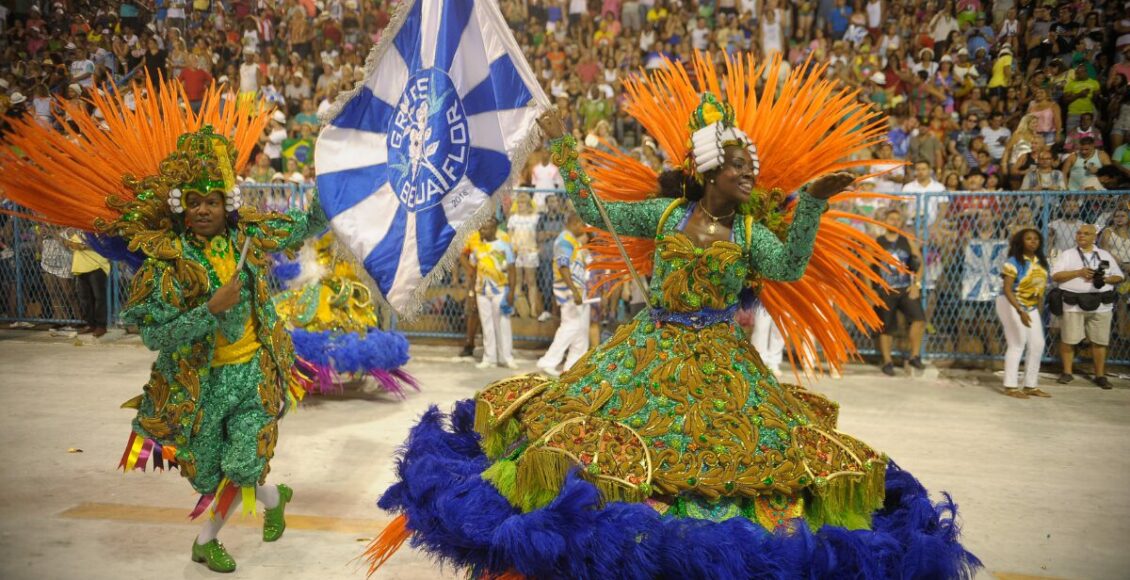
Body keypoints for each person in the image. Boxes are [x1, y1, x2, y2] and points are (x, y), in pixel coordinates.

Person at [367, 60, 978, 577]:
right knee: (599, 447)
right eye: (740, 169)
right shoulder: (662, 217)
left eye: (753, 171)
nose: (750, 178)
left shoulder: (748, 235)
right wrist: (562, 143)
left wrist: (814, 203)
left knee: (737, 464)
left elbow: (791, 266)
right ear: (711, 172)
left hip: (721, 362)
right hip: (650, 351)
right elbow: (589, 206)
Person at [0, 82, 327, 573]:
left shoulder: (251, 233)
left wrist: (338, 186)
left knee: (241, 464)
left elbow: (304, 228)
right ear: (180, 205)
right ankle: (272, 497)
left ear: (227, 202)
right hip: (203, 382)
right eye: (192, 201)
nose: (202, 209)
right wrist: (211, 309)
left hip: (255, 374)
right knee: (214, 473)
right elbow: (155, 335)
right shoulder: (167, 262)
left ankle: (206, 540)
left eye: (211, 200)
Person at [1051, 224, 1125, 389]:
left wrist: (1104, 279)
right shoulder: (1068, 254)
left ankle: (1100, 375)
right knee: (1068, 339)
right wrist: (1078, 272)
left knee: (1100, 341)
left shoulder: (1104, 255)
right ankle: (1067, 372)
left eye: (1086, 233)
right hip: (1073, 303)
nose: (1081, 236)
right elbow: (1056, 276)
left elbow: (1119, 276)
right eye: (1079, 233)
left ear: (1094, 237)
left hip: (1101, 304)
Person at [996, 228, 1050, 399]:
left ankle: (1030, 385)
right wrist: (1020, 311)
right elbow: (1007, 289)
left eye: (1036, 239)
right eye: (1028, 239)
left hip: (1030, 306)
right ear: (1021, 242)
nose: (1033, 241)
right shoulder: (1013, 261)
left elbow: (1040, 291)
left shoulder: (1041, 262)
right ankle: (1010, 386)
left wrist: (1036, 311)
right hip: (1010, 303)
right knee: (1017, 342)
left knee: (1038, 344)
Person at [874, 207, 927, 375]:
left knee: (919, 319)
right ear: (884, 222)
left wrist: (916, 285)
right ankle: (887, 361)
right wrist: (871, 291)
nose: (895, 222)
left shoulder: (906, 241)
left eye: (898, 219)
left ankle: (914, 356)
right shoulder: (878, 241)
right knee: (886, 327)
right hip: (886, 290)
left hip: (905, 288)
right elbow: (865, 266)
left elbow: (921, 263)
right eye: (891, 219)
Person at [536, 213, 589, 376]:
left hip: (577, 289)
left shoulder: (573, 241)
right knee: (571, 325)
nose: (585, 229)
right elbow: (562, 266)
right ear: (575, 222)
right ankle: (547, 362)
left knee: (581, 330)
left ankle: (572, 367)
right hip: (568, 290)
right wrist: (573, 290)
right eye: (584, 225)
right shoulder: (564, 240)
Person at [469, 216, 518, 369]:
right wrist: (471, 294)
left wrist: (511, 292)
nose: (482, 230)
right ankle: (489, 358)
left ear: (494, 229)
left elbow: (512, 270)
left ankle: (506, 357)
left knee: (503, 324)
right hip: (482, 291)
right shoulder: (476, 248)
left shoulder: (504, 246)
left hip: (500, 290)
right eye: (481, 227)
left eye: (486, 227)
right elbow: (473, 272)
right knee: (487, 325)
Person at [65, 230, 109, 337]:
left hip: (96, 266)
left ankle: (101, 326)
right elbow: (70, 245)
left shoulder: (98, 231)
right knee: (84, 298)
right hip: (80, 267)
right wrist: (70, 243)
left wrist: (81, 246)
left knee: (99, 297)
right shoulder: (77, 231)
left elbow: (101, 246)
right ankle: (90, 324)